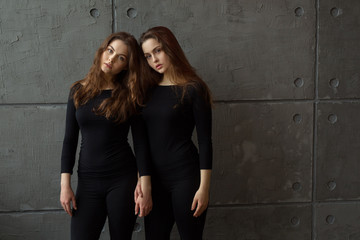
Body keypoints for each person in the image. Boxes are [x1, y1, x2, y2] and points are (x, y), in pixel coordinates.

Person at [60, 32, 153, 240]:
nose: (111, 59)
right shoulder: (78, 91)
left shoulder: (129, 94)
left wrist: (145, 185)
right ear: (102, 51)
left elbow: (140, 143)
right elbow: (69, 141)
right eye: (110, 51)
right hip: (87, 182)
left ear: (126, 66)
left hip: (122, 181)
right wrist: (65, 185)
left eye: (121, 57)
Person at [136, 26, 213, 240]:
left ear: (170, 48)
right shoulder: (146, 90)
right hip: (154, 181)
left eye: (158, 51)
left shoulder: (193, 89)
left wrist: (204, 188)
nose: (154, 60)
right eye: (148, 56)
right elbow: (141, 143)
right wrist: (142, 181)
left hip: (186, 177)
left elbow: (206, 141)